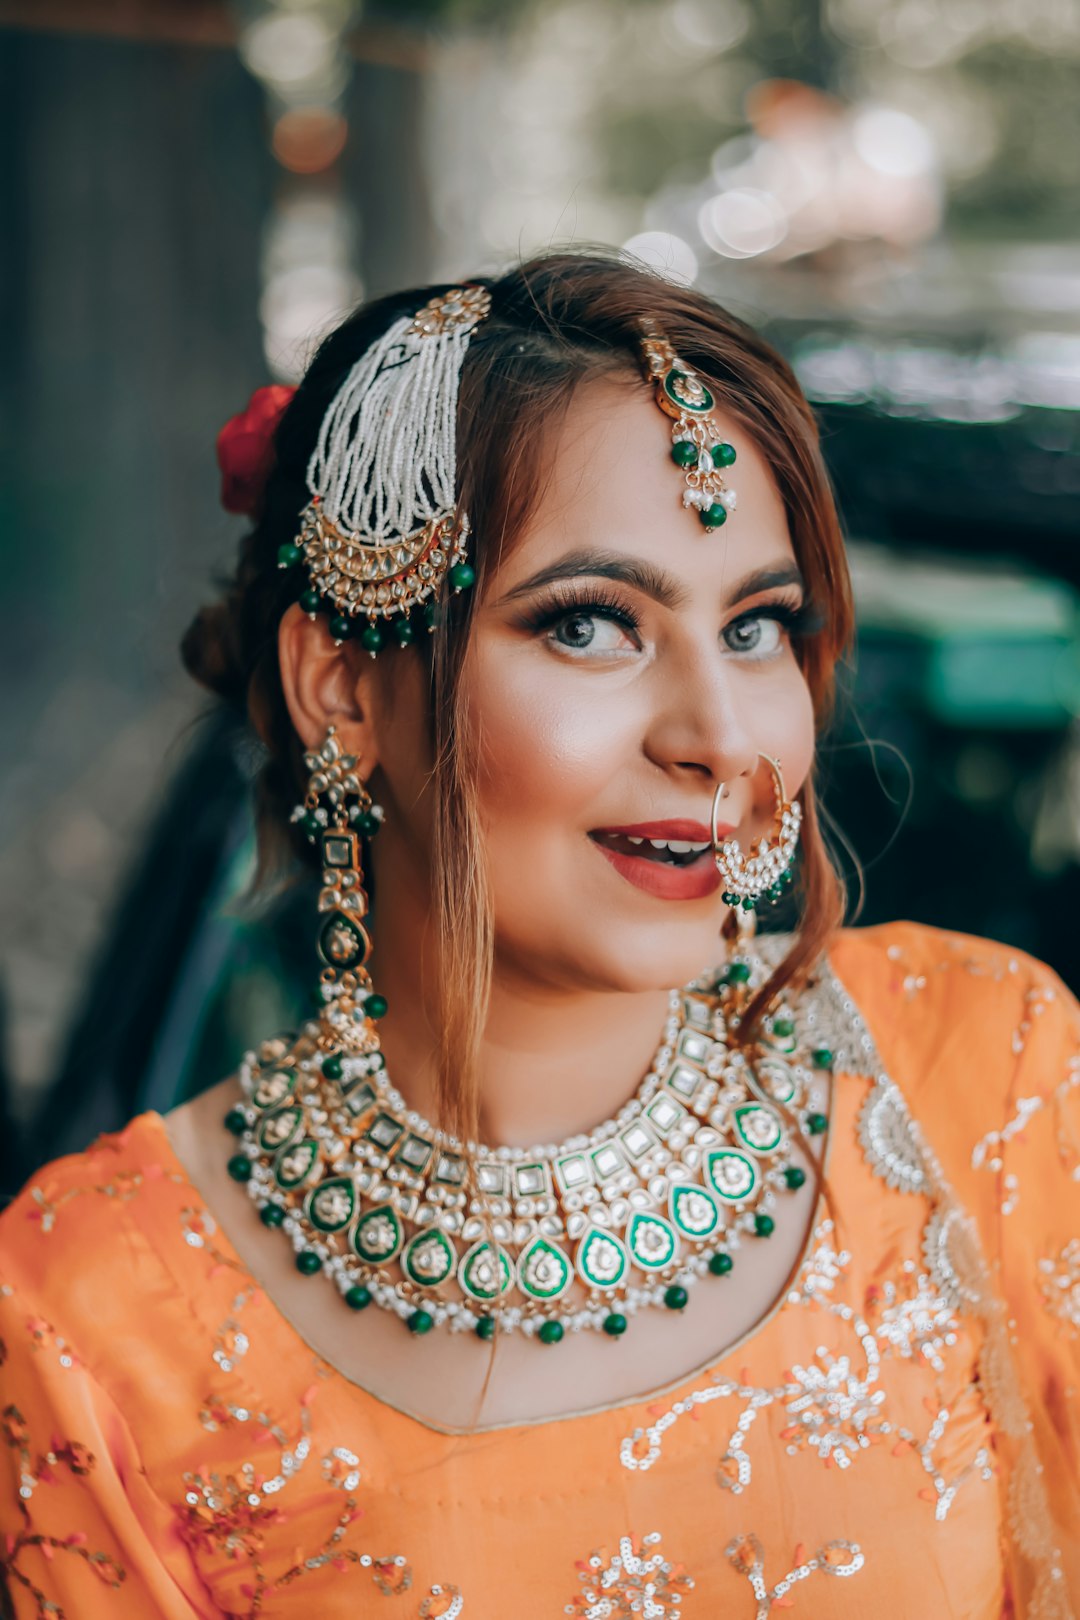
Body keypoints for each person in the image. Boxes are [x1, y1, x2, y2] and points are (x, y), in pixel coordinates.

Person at [1, 252, 1077, 1619]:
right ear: (343, 690)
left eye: (758, 626)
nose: (721, 737)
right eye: (591, 624)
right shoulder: (92, 1316)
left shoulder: (986, 1075)